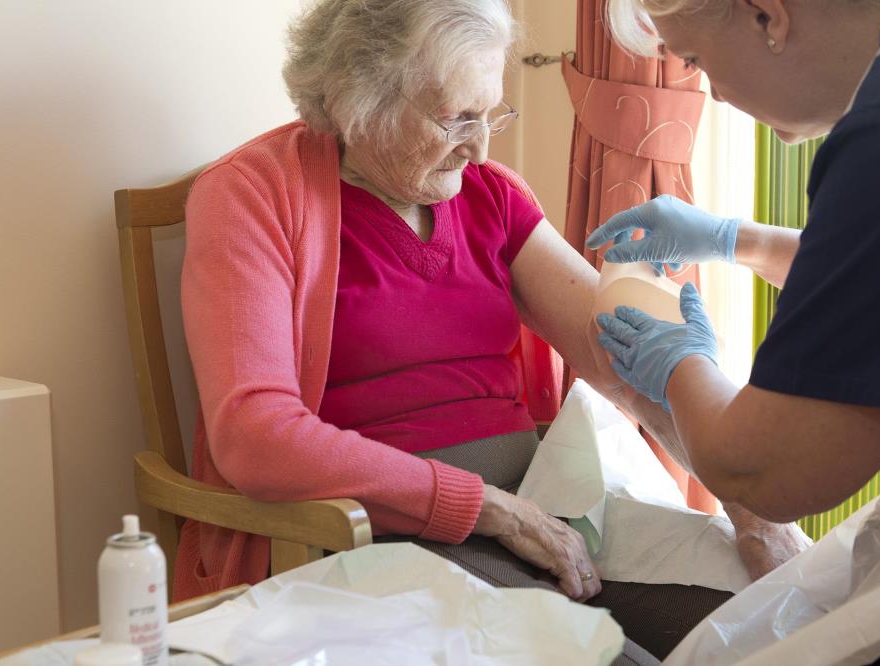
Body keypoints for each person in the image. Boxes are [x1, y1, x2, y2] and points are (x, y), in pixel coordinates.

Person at [177, 0, 804, 661]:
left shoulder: (492, 194)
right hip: (378, 538)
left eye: (492, 113)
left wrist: (751, 512)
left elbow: (624, 361)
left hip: (543, 508)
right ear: (354, 100)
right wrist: (485, 509)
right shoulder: (252, 195)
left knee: (776, 627)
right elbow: (254, 435)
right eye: (457, 119)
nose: (481, 146)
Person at [593, 0, 880, 659]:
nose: (713, 92)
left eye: (694, 59)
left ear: (766, 15)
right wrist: (732, 240)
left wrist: (680, 363)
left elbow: (773, 471)